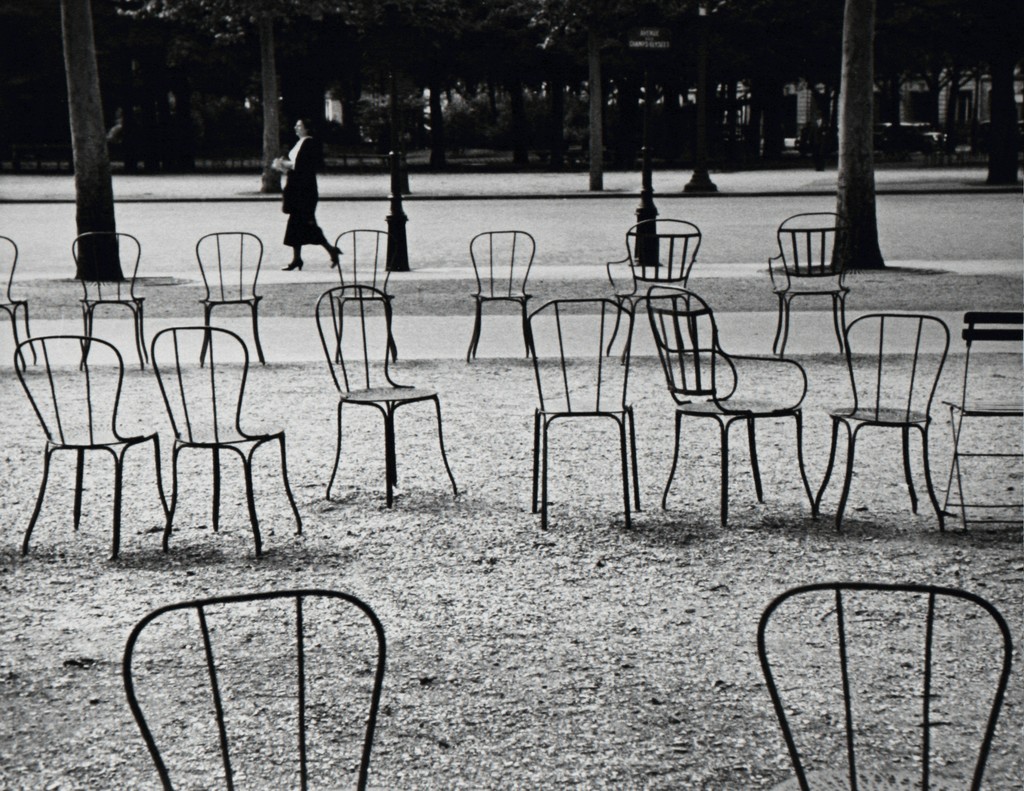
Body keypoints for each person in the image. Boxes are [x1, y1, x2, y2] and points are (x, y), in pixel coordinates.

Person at [272, 118, 340, 271]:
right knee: (296, 224)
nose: (296, 127)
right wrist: (284, 167)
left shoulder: (309, 143)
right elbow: (297, 167)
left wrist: (283, 164)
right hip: (299, 188)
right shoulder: (301, 142)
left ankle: (329, 251)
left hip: (304, 190)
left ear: (306, 128)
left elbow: (303, 166)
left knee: (307, 224)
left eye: (299, 125)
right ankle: (298, 258)